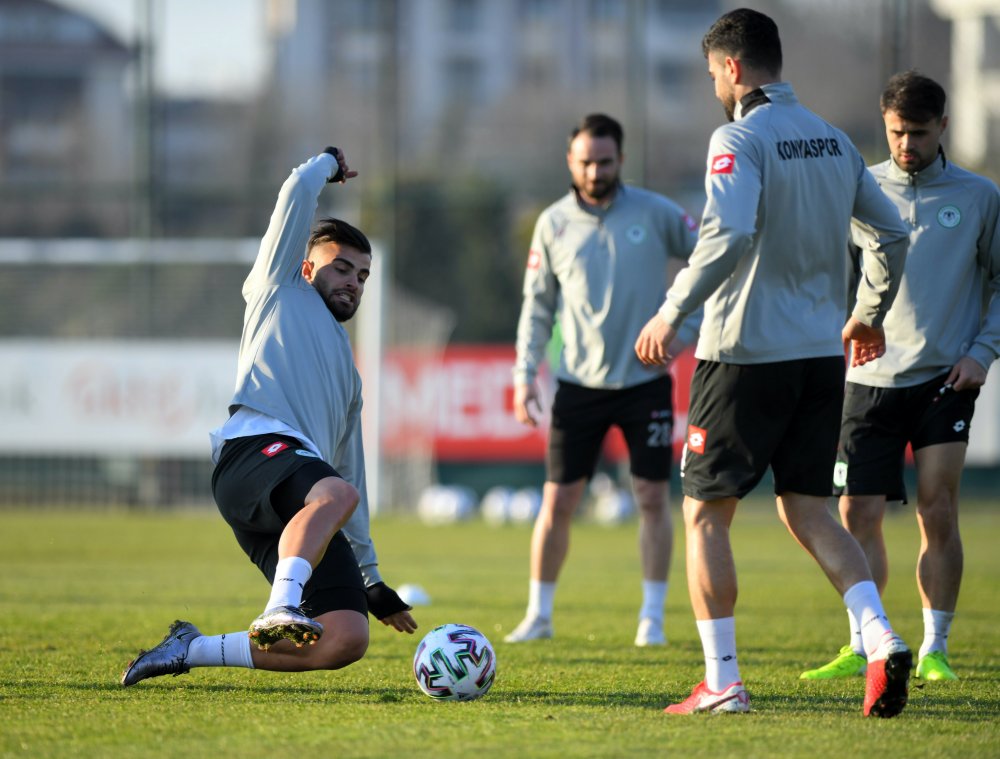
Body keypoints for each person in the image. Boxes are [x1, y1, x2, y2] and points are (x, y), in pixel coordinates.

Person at [634, 9, 913, 717]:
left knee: (704, 514)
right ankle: (879, 637)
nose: (713, 87)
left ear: (731, 68)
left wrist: (672, 312)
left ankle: (722, 680)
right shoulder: (833, 139)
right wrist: (868, 312)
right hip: (822, 354)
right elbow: (889, 231)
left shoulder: (738, 137)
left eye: (710, 75)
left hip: (743, 355)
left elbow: (726, 232)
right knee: (810, 507)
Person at [121, 147, 417, 687]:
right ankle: (280, 605)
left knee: (346, 636)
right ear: (306, 267)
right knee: (332, 497)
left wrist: (371, 579)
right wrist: (326, 164)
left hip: (294, 496)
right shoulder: (278, 289)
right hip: (252, 454)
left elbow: (351, 476)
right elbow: (294, 195)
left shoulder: (349, 377)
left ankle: (190, 649)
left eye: (363, 275)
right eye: (341, 267)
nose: (352, 281)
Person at [800, 71, 999, 684]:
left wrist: (982, 353)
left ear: (943, 126)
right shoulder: (861, 190)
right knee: (856, 513)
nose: (905, 144)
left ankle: (936, 647)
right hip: (868, 381)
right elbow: (831, 276)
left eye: (916, 132)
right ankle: (866, 643)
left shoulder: (978, 196)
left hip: (947, 378)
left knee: (937, 508)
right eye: (894, 132)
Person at [505, 113, 699, 648]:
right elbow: (537, 307)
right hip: (577, 386)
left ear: (621, 160)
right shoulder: (553, 223)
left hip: (645, 383)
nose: (595, 171)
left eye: (605, 161)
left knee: (653, 499)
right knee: (558, 502)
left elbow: (712, 259)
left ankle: (652, 618)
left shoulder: (657, 213)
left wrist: (688, 329)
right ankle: (539, 614)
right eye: (586, 162)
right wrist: (525, 376)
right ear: (571, 161)